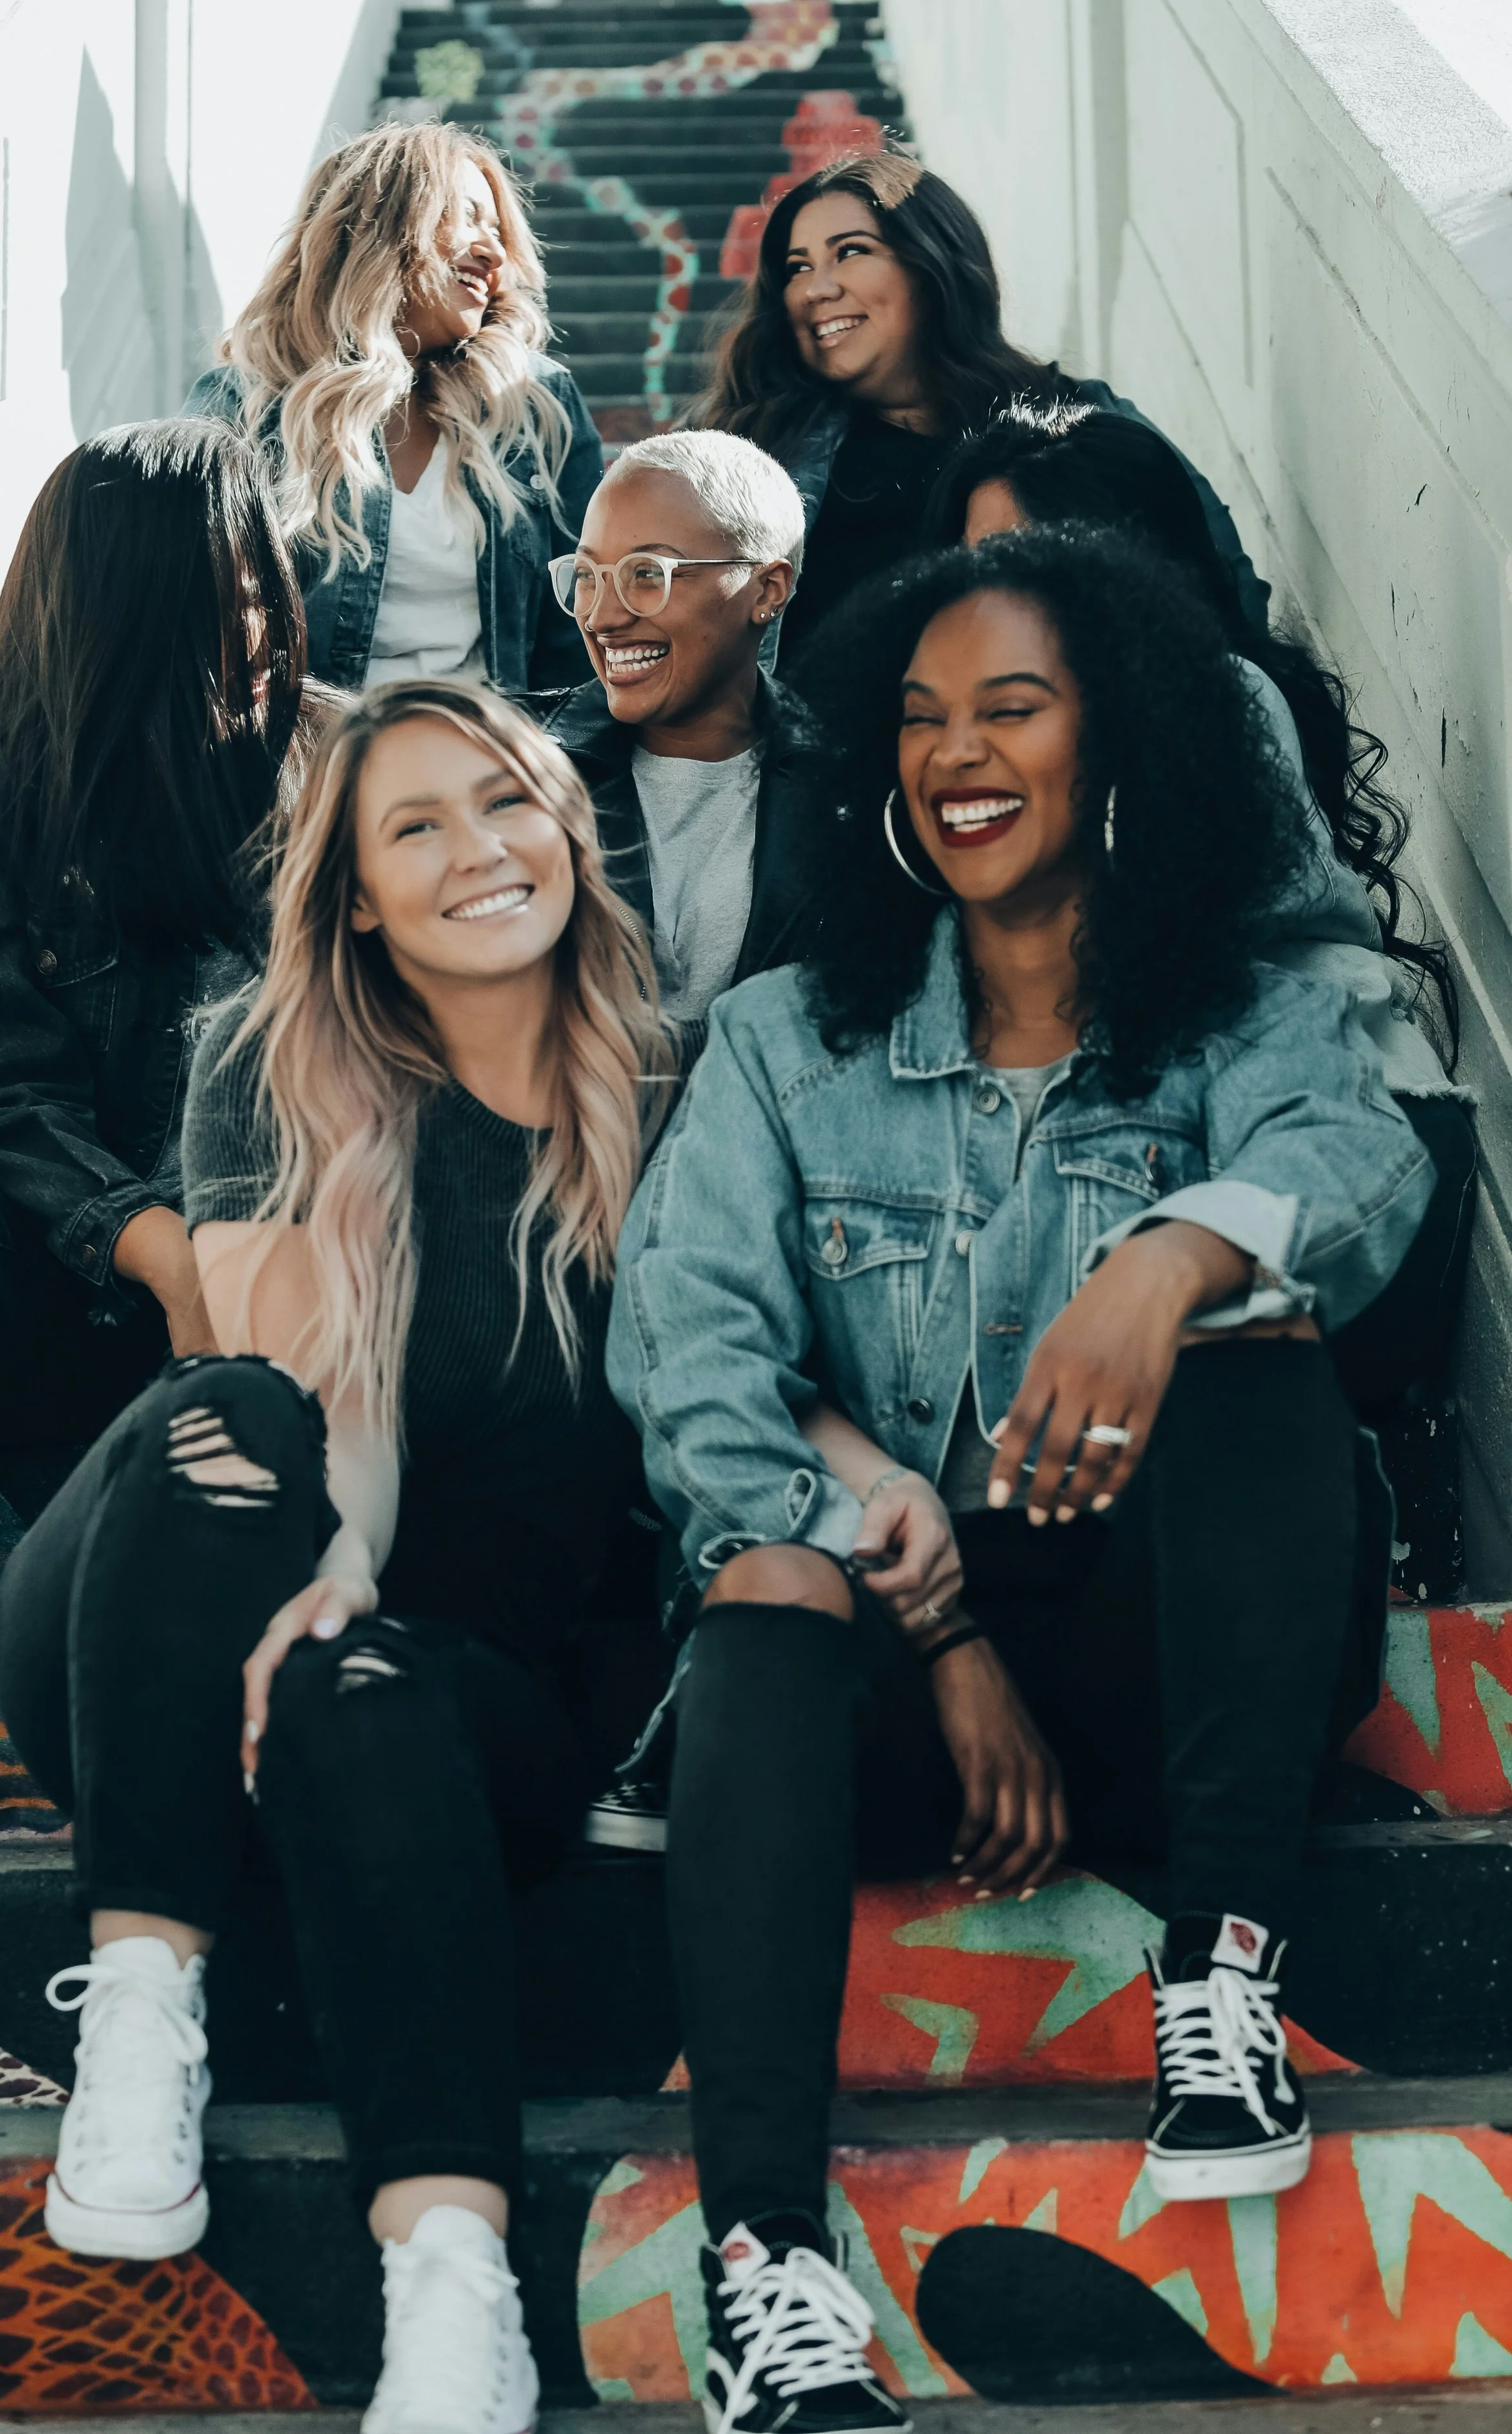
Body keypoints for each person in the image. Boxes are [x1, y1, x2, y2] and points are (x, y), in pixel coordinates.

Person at [607, 530, 1432, 2431]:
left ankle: (1217, 1985)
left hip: (1184, 1664)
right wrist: (936, 1616)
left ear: (1119, 742)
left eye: (1009, 705)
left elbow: (1358, 1165)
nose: (952, 751)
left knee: (1248, 1332)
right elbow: (678, 1350)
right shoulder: (780, 1046)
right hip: (898, 1676)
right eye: (915, 716)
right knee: (758, 1585)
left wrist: (1164, 1256)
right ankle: (765, 2269)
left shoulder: (1235, 1016)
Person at [0, 679, 672, 2434]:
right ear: (355, 893)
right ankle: (143, 1991)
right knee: (229, 1413)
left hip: (447, 1708)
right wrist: (340, 1550)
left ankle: (454, 2292)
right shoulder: (268, 1052)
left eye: (505, 800)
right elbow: (313, 1385)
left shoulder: (677, 1087)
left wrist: (357, 1618)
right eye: (415, 826)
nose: (477, 851)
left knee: (359, 1684)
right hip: (172, 1643)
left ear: (572, 824)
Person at [0, 419, 307, 1869]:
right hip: (42, 1294)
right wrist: (167, 1253)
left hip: (293, 1286)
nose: (262, 625)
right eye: (226, 592)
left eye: (266, 583)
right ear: (127, 609)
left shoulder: (314, 774)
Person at [927, 400, 1475, 1447]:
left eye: (1019, 558)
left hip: (1340, 1152)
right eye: (969, 562)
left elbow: (1148, 960)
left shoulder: (1211, 696)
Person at [696, 153, 1267, 670]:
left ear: (931, 264)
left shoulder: (1082, 422)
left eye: (850, 252)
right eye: (797, 267)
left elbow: (1217, 586)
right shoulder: (755, 454)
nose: (816, 289)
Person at [189, 121, 604, 697]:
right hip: (313, 768)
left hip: (489, 760)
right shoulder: (244, 406)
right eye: (467, 217)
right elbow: (194, 623)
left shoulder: (535, 405)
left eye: (499, 230)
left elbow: (582, 636)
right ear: (379, 230)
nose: (495, 251)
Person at [534, 428, 815, 1056]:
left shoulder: (850, 789)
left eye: (646, 574)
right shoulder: (517, 772)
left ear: (767, 590)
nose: (602, 616)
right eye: (587, 575)